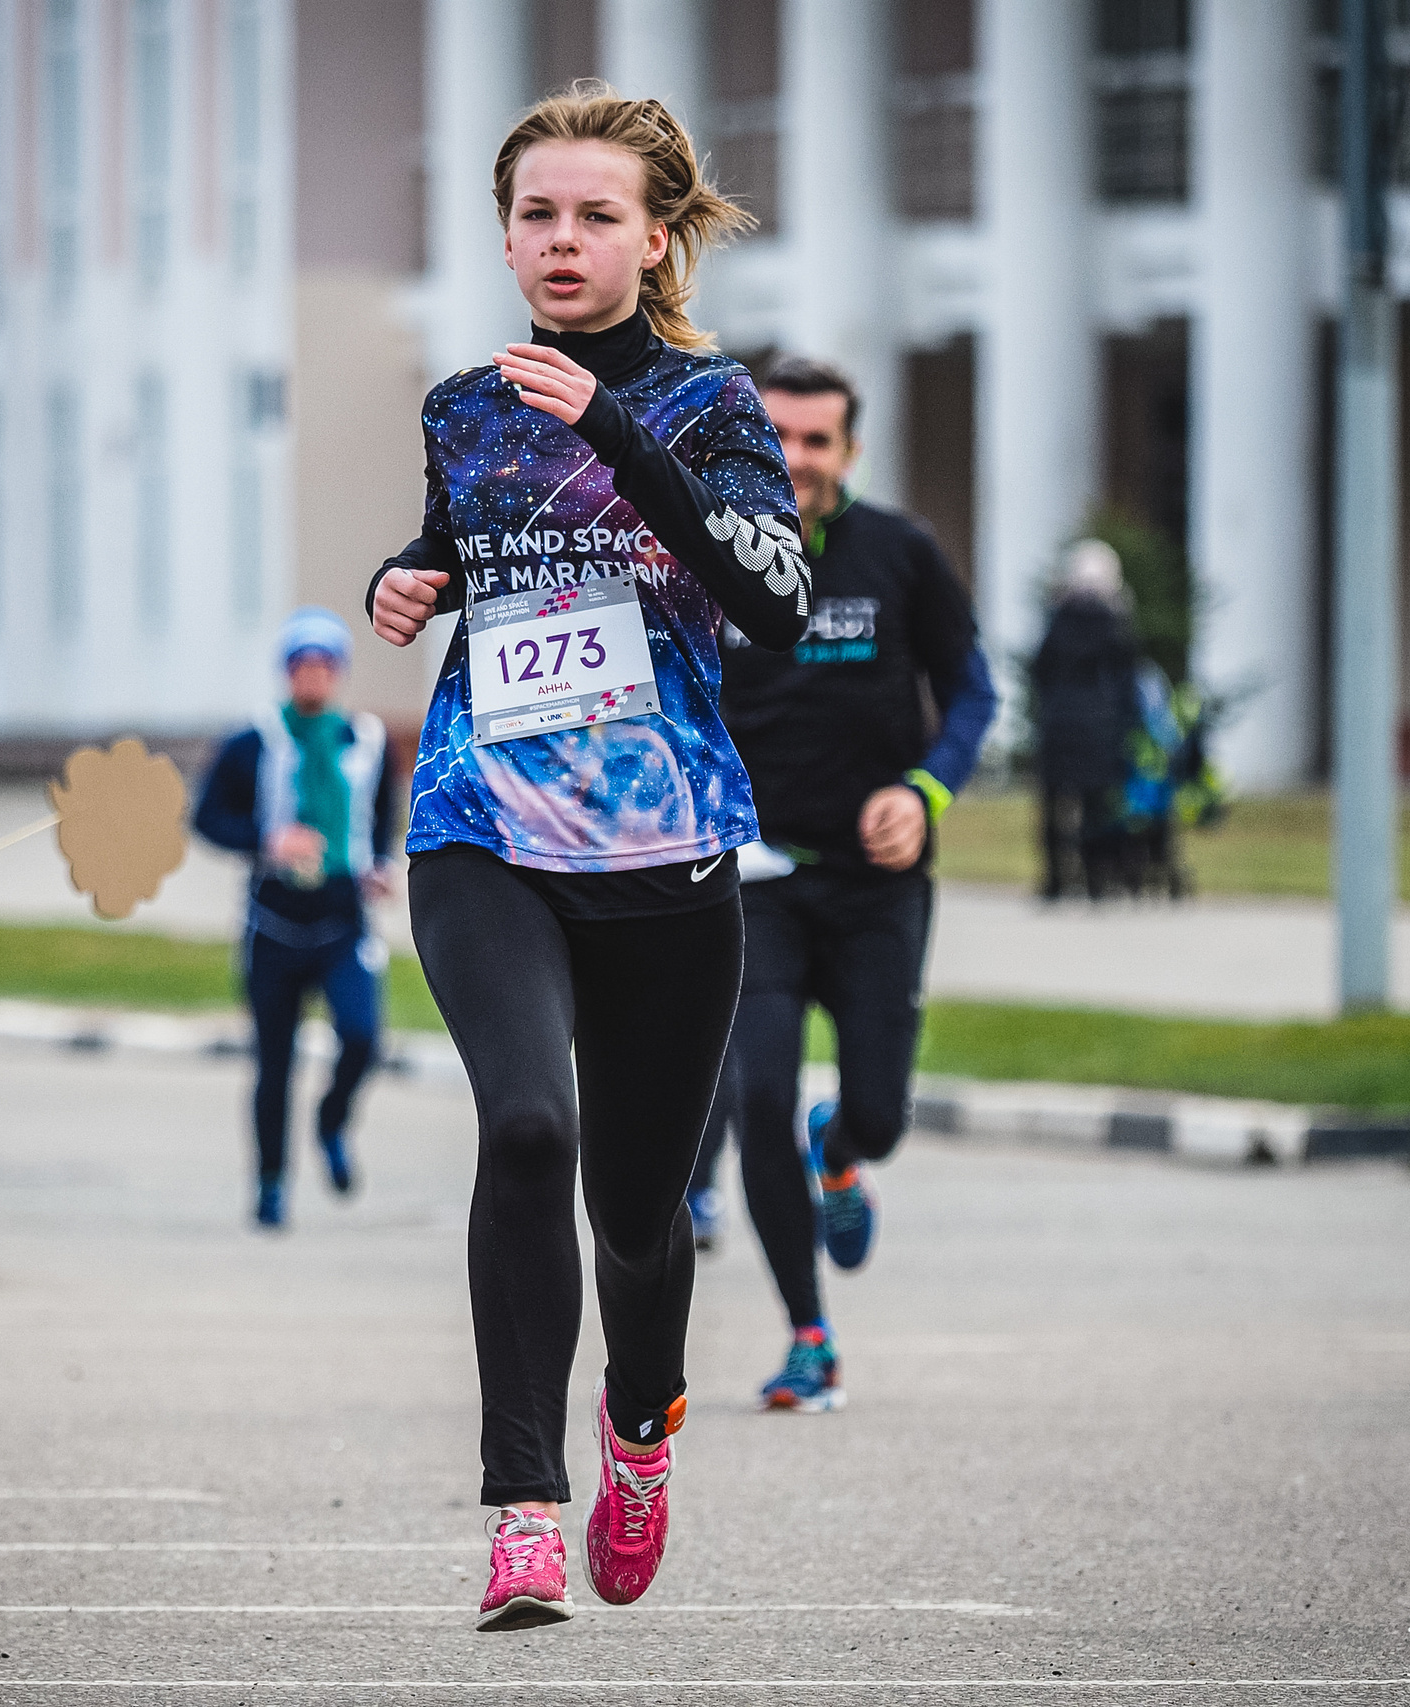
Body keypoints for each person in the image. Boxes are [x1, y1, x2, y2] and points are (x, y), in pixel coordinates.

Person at [366, 83, 809, 1630]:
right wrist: (409, 577)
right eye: (537, 214)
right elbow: (462, 542)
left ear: (658, 235)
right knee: (531, 1127)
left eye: (596, 215)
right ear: (505, 232)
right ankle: (523, 1509)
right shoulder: (462, 406)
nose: (562, 240)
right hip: (486, 821)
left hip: (667, 850)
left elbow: (773, 603)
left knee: (639, 1212)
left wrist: (614, 424)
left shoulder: (714, 408)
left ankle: (640, 1425)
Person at [692, 354, 998, 1414]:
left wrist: (923, 792)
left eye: (816, 441)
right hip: (754, 882)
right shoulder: (705, 554)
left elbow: (970, 693)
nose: (795, 459)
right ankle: (806, 1334)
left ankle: (844, 1153)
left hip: (877, 886)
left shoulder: (901, 553)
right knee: (760, 1094)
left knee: (875, 1111)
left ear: (849, 451)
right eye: (775, 437)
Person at [193, 608, 398, 1229]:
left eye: (325, 664)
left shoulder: (367, 739)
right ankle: (271, 1184)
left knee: (362, 1037)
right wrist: (266, 840)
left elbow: (380, 814)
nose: (313, 676)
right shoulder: (252, 741)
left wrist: (381, 863)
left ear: (338, 672)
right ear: (287, 671)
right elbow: (207, 818)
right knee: (274, 1062)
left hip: (343, 919)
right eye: (302, 664)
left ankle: (332, 1121)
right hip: (274, 922)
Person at [1031, 539, 1143, 901]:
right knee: (1098, 807)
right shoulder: (1117, 624)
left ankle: (1055, 880)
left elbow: (1039, 670)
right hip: (1101, 725)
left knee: (1054, 804)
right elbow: (1129, 681)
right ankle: (1097, 879)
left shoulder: (1058, 620)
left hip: (1059, 723)